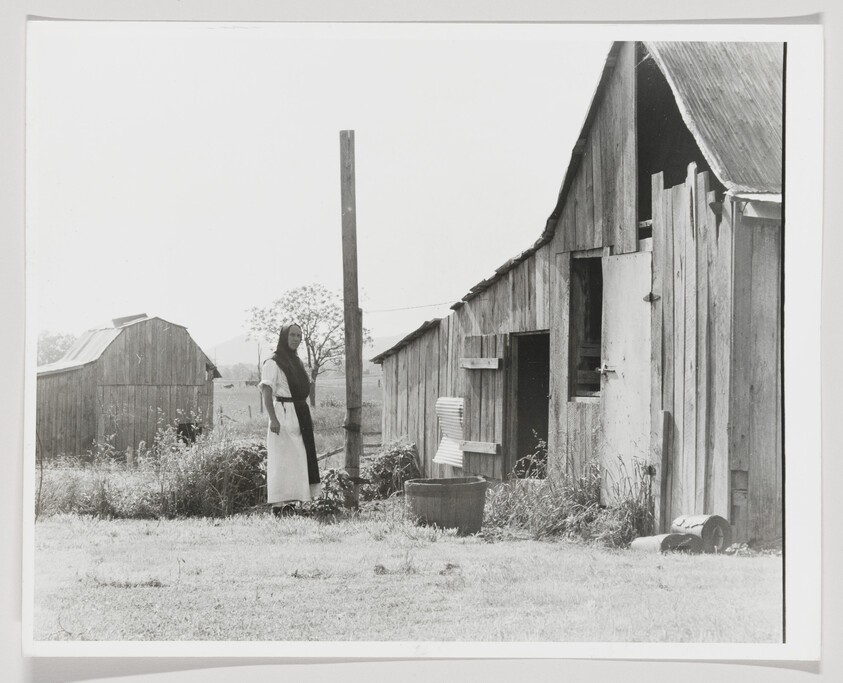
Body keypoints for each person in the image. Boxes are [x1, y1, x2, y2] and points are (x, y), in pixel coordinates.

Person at [258, 323, 322, 515]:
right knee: (282, 459)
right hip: (283, 413)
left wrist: (306, 415)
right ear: (284, 337)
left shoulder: (296, 361)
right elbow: (267, 392)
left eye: (299, 336)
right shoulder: (273, 362)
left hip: (299, 412)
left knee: (299, 458)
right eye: (292, 335)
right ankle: (279, 505)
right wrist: (273, 419)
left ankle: (293, 503)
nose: (296, 338)